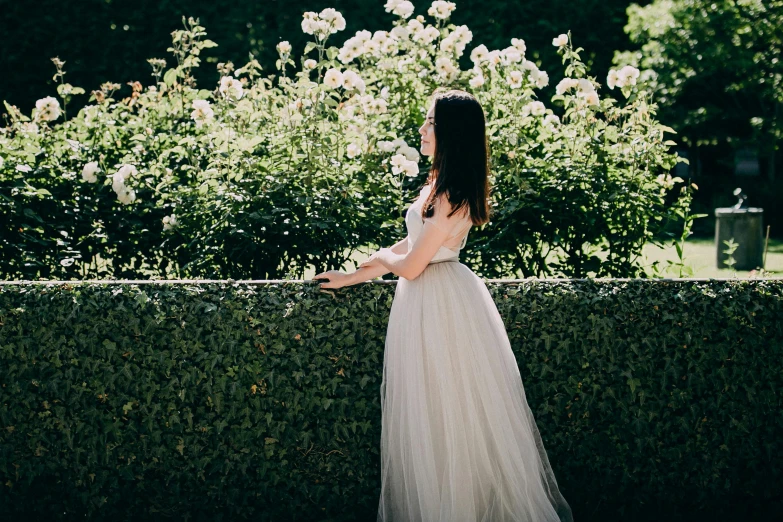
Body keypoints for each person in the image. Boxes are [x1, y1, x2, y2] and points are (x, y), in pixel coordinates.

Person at [314, 89, 574, 522]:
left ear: (451, 132)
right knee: (429, 416)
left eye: (430, 122)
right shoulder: (436, 185)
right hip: (425, 305)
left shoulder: (453, 194)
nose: (422, 129)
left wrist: (381, 257)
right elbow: (412, 246)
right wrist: (354, 275)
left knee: (449, 415)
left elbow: (412, 265)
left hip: (441, 306)